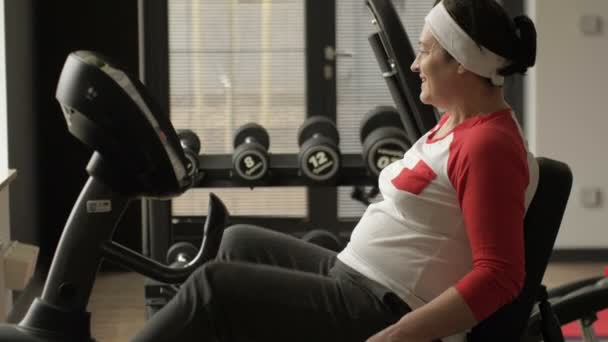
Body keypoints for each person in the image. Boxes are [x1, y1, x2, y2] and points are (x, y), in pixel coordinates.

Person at [132, 0, 538, 341]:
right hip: (354, 275)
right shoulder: (453, 122)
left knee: (213, 288)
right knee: (237, 241)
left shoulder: (489, 146)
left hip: (382, 306)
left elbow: (499, 276)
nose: (415, 65)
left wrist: (397, 336)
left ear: (463, 64)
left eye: (425, 51)